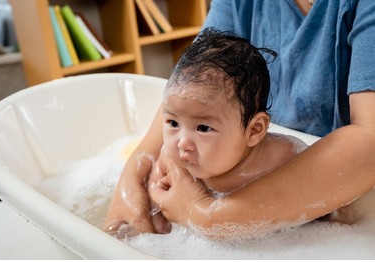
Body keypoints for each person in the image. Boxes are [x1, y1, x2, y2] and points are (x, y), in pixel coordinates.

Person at [103, 0, 375, 238]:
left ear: (256, 129)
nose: (182, 143)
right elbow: (190, 84)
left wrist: (207, 217)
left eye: (202, 127)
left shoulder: (281, 157)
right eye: (173, 124)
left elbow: (370, 143)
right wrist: (133, 176)